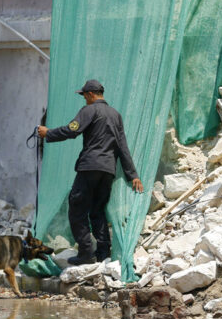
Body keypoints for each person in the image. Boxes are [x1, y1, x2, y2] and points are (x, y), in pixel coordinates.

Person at [37, 79, 143, 265]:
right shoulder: (115, 115)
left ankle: (86, 252)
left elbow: (72, 130)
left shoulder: (89, 110)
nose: (84, 99)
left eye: (85, 95)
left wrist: (49, 133)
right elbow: (122, 147)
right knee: (97, 211)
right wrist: (132, 175)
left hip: (89, 167)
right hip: (107, 170)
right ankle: (103, 253)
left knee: (77, 207)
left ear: (91, 94)